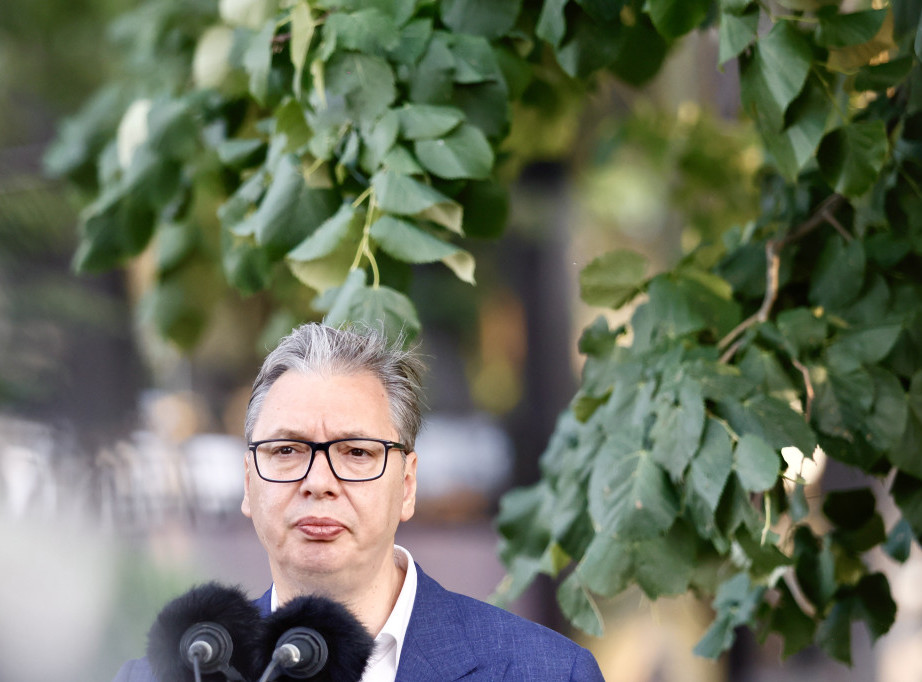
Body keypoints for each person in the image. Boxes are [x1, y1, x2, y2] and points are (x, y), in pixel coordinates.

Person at [113, 323, 604, 681]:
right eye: (286, 450)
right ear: (248, 482)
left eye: (356, 453)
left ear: (407, 484)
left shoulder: (546, 672)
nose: (318, 482)